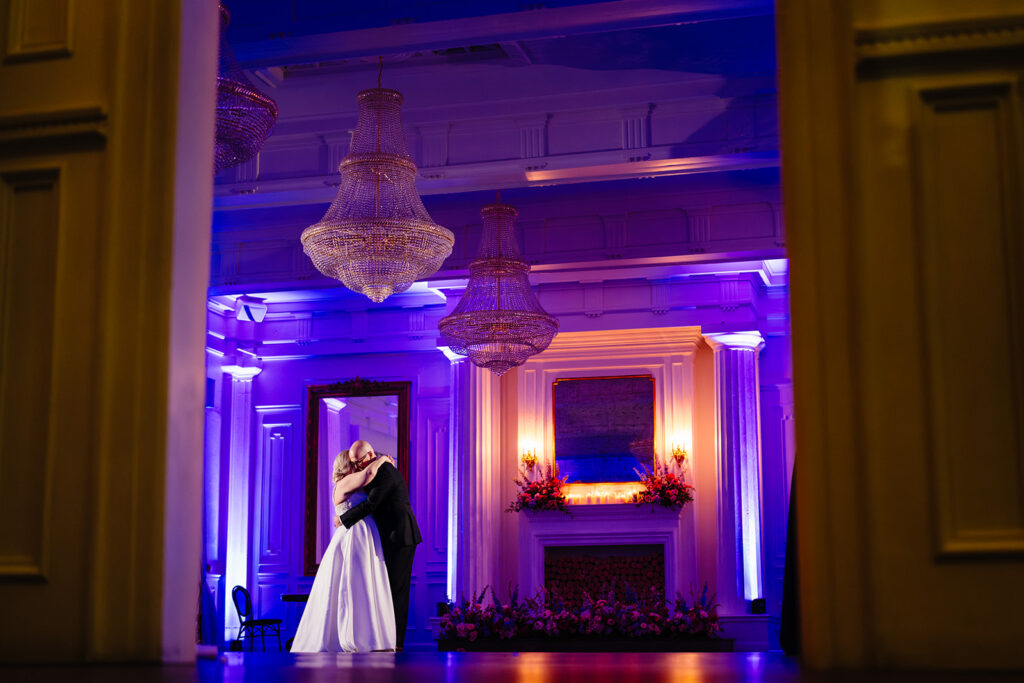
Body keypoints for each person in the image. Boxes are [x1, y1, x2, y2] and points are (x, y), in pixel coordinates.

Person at [290, 449, 396, 652]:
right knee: (353, 583)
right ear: (346, 465)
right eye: (353, 462)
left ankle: (370, 635)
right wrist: (383, 458)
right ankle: (353, 636)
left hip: (364, 535)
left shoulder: (354, 481)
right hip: (353, 537)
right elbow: (368, 475)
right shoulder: (344, 483)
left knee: (364, 584)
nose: (358, 465)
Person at [337, 439, 421, 651]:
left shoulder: (384, 471)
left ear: (370, 454)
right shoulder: (377, 467)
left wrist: (343, 519)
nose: (357, 467)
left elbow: (371, 504)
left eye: (359, 462)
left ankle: (396, 644)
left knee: (396, 591)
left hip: (400, 536)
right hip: (390, 535)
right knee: (387, 589)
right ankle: (386, 639)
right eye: (354, 463)